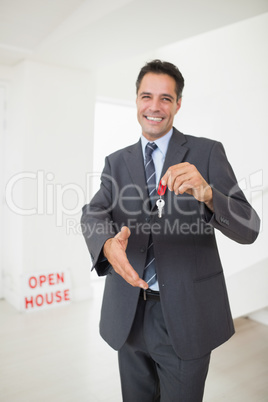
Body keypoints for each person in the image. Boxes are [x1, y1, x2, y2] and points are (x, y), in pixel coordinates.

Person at [81, 60, 260, 401]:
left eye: (166, 98)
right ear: (136, 100)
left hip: (186, 314)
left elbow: (249, 227)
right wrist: (106, 244)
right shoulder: (116, 162)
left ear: (178, 104)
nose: (154, 106)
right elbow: (93, 212)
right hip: (128, 313)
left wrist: (208, 193)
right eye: (147, 96)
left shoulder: (207, 153)